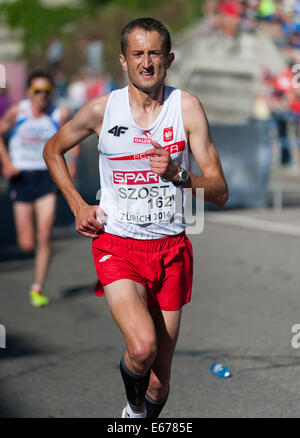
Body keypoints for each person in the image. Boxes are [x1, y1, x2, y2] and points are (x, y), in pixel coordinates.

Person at [43, 18, 228, 418]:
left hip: (171, 247)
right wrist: (77, 205)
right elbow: (52, 149)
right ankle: (132, 412)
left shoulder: (187, 108)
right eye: (138, 54)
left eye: (155, 54)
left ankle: (141, 412)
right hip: (119, 246)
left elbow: (219, 192)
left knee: (160, 381)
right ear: (124, 61)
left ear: (169, 59)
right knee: (142, 347)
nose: (147, 63)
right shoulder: (100, 110)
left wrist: (178, 175)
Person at [0, 69, 80, 307]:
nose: (42, 96)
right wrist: (7, 164)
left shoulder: (60, 113)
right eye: (37, 91)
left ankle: (37, 286)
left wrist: (73, 162)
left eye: (47, 91)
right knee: (26, 243)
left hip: (47, 175)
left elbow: (75, 138)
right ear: (29, 92)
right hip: (22, 176)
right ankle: (33, 236)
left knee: (44, 234)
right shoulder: (18, 112)